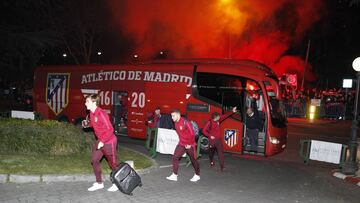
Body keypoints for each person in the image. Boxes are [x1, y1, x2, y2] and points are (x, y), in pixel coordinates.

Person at [83, 94, 119, 192]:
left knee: (113, 164)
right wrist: (88, 124)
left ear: (94, 102)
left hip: (109, 141)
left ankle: (117, 183)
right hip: (101, 140)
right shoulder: (91, 113)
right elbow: (95, 123)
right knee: (94, 160)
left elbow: (110, 129)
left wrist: (102, 141)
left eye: (87, 101)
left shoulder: (101, 113)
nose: (85, 103)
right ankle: (99, 183)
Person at [166, 109, 200, 182]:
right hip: (182, 143)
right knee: (175, 157)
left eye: (173, 116)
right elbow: (180, 134)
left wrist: (190, 144)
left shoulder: (185, 122)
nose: (172, 117)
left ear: (178, 115)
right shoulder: (175, 123)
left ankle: (197, 175)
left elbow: (192, 134)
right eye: (171, 116)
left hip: (190, 144)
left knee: (193, 160)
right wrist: (181, 142)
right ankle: (174, 175)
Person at [202, 107, 237, 171]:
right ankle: (211, 161)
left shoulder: (218, 120)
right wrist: (210, 135)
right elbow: (204, 131)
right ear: (215, 118)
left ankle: (222, 166)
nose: (220, 117)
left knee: (220, 153)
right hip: (212, 141)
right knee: (211, 153)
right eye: (218, 117)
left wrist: (232, 111)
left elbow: (225, 116)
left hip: (218, 140)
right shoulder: (209, 123)